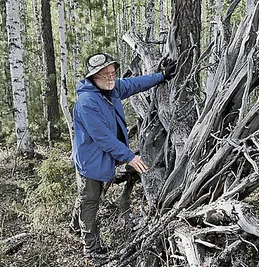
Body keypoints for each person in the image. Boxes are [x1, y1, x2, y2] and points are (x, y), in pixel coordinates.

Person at [69, 52, 176, 261]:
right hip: (91, 161)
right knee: (90, 200)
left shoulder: (112, 88)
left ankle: (74, 224)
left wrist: (161, 76)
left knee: (88, 197)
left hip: (107, 159)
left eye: (112, 73)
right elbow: (103, 137)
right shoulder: (87, 102)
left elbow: (135, 84)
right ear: (92, 77)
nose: (111, 78)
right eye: (105, 75)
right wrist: (130, 157)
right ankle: (91, 250)